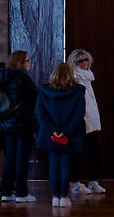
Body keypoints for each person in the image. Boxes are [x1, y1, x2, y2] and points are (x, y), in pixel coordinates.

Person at [31, 59, 87, 209]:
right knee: (65, 165)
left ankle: (55, 197)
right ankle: (64, 197)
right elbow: (78, 115)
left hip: (50, 135)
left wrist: (52, 130)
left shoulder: (44, 91)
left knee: (54, 164)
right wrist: (66, 132)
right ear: (71, 75)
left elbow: (39, 113)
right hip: (70, 135)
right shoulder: (78, 91)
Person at [0, 50, 37, 201]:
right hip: (23, 124)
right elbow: (34, 98)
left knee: (9, 157)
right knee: (22, 158)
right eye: (27, 60)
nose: (29, 63)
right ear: (20, 62)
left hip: (6, 123)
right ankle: (21, 193)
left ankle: (6, 192)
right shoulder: (23, 79)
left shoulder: (1, 76)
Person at [68, 48, 104, 196]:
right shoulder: (74, 77)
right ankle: (75, 183)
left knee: (95, 151)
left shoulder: (88, 76)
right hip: (80, 120)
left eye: (86, 59)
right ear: (75, 63)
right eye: (80, 61)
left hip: (92, 120)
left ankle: (93, 181)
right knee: (77, 153)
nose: (84, 63)